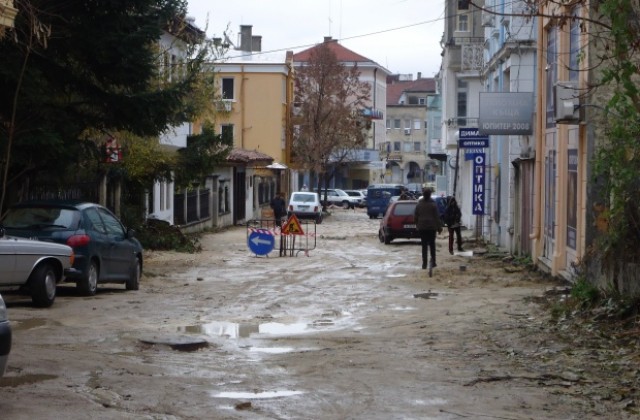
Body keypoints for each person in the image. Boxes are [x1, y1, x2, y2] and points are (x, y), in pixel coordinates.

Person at [414, 187, 443, 269]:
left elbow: (415, 216)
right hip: (431, 228)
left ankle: (424, 264)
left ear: (423, 195)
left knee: (424, 246)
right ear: (430, 195)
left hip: (422, 228)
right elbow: (437, 217)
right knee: (432, 245)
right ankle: (433, 262)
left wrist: (417, 225)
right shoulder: (433, 204)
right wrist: (439, 228)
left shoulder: (419, 204)